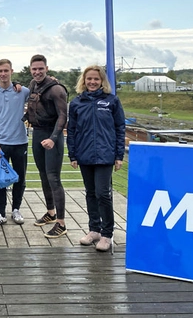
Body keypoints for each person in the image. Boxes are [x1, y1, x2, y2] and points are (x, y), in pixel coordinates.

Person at [67, 65, 126, 252]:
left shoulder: (111, 101)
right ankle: (94, 230)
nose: (92, 82)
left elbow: (119, 128)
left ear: (102, 81)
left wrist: (119, 155)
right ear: (83, 81)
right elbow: (72, 131)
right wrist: (73, 154)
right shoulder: (77, 103)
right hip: (84, 155)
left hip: (105, 155)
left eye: (96, 79)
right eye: (89, 79)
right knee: (90, 193)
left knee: (103, 194)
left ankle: (107, 234)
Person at [25, 55, 69, 238]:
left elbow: (63, 116)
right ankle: (50, 213)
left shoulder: (57, 89)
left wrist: (53, 138)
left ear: (47, 68)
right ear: (30, 69)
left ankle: (61, 223)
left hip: (53, 136)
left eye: (40, 68)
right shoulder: (33, 85)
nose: (37, 72)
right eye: (34, 69)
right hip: (38, 133)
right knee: (43, 175)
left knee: (53, 178)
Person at [0, 59, 30, 229]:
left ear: (11, 71)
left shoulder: (22, 91)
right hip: (0, 144)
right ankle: (0, 213)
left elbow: (38, 88)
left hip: (20, 143)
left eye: (6, 71)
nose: (3, 74)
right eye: (0, 71)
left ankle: (16, 209)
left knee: (20, 179)